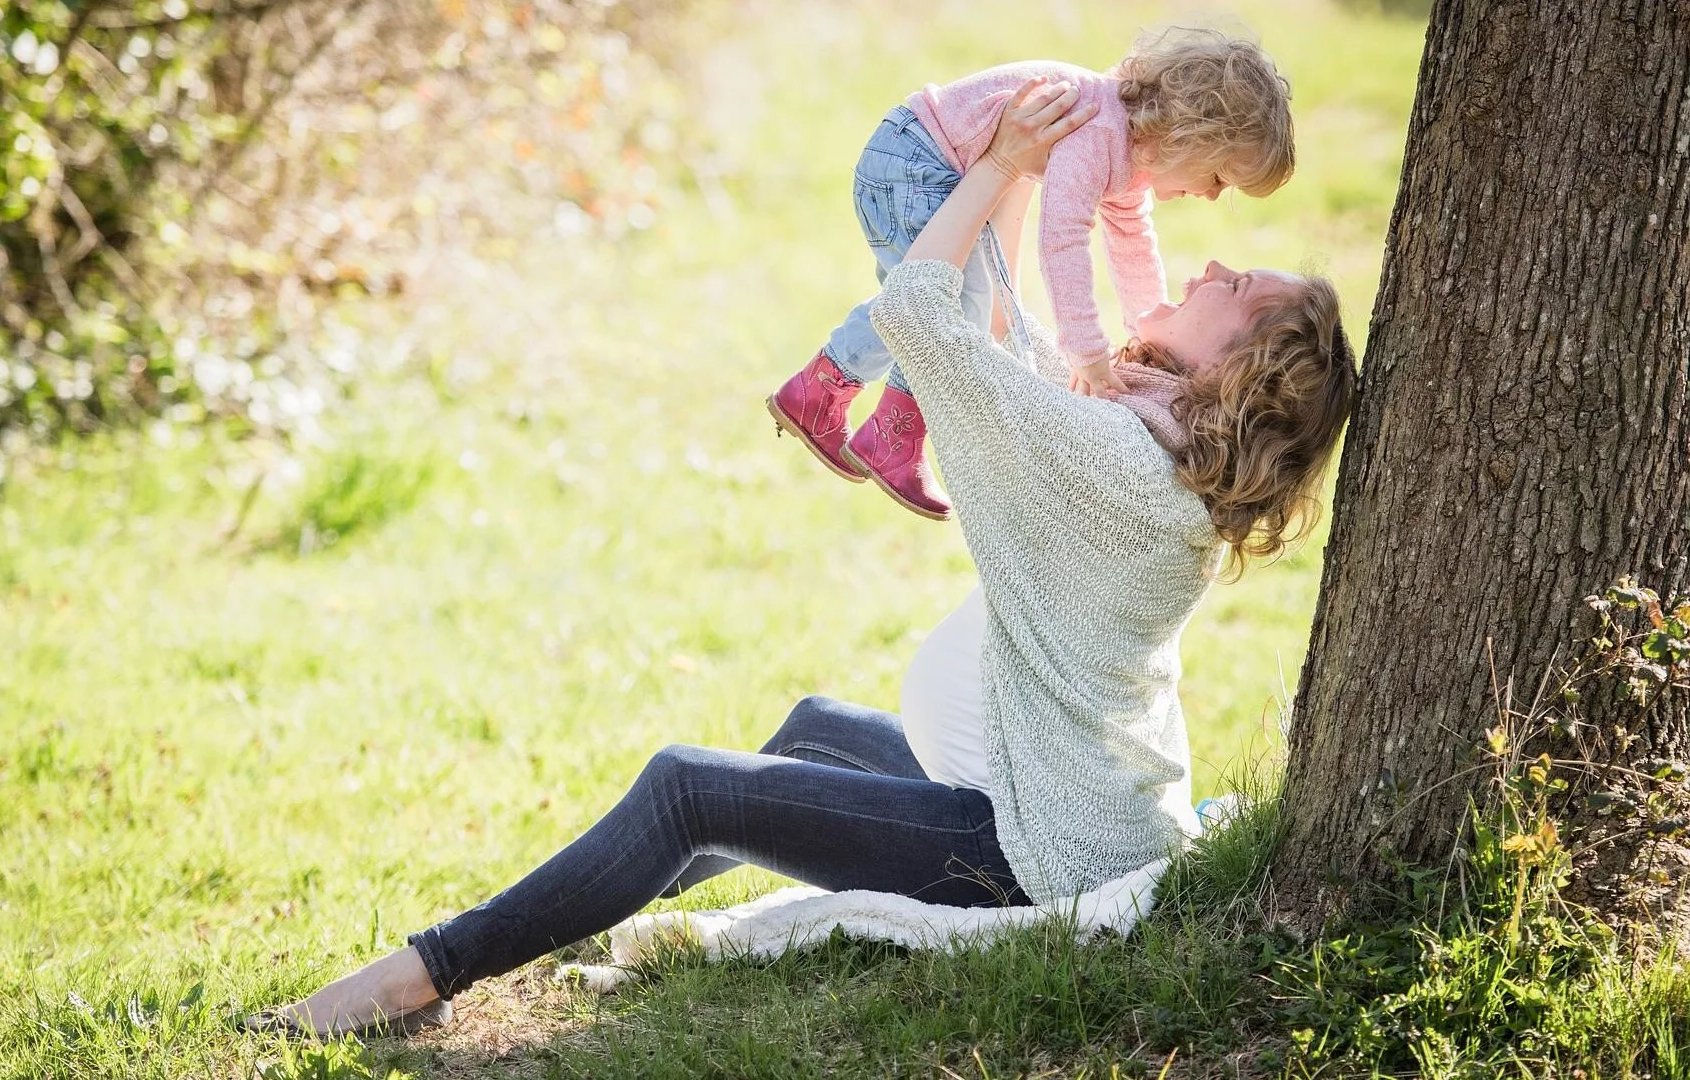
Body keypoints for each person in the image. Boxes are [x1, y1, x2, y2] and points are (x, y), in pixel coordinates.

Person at [244, 79, 1355, 1040]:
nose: (1213, 262)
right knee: (813, 730)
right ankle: (557, 916)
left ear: (1241, 373)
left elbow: (923, 311)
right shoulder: (1153, 452)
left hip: (1030, 849)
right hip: (1057, 796)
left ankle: (420, 977)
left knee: (690, 786)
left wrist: (1008, 162)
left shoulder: (1113, 460)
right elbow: (1010, 341)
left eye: (1243, 290)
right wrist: (1022, 178)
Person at [767, 27, 1295, 521]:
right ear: (1189, 135)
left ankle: (821, 393)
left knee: (943, 300)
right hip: (913, 162)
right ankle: (889, 432)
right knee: (943, 304)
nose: (1208, 195)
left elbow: (1133, 245)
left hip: (926, 162)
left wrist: (1144, 333)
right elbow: (1062, 238)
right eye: (1219, 176)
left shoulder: (1130, 155)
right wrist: (1086, 351)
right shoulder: (1102, 131)